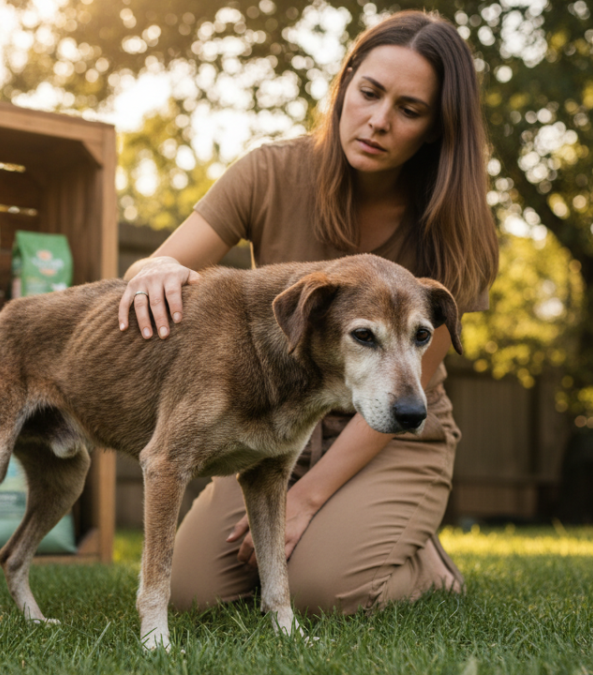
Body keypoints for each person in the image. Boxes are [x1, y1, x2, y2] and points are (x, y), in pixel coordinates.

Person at [117, 10, 499, 616]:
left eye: (409, 109)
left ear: (435, 128)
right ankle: (344, 536)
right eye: (369, 93)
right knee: (197, 596)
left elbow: (416, 380)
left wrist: (309, 499)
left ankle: (426, 563)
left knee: (326, 592)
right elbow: (155, 271)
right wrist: (153, 270)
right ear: (345, 83)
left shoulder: (457, 227)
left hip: (392, 433)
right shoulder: (269, 171)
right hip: (269, 422)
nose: (378, 121)